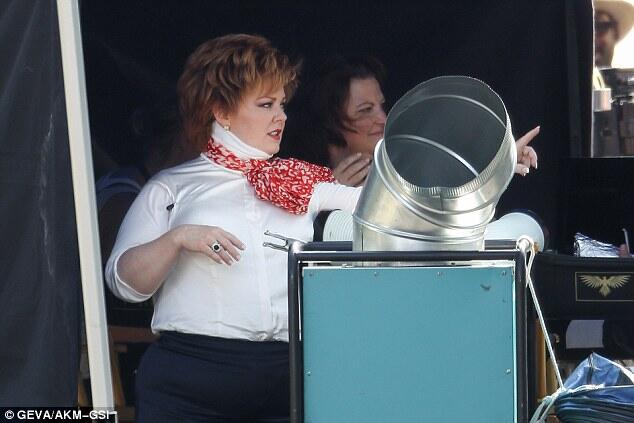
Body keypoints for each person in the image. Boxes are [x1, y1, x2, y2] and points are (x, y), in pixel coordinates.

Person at [104, 34, 361, 422]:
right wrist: (178, 239)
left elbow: (385, 214)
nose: (281, 116)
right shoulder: (171, 187)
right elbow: (123, 283)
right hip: (191, 380)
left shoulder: (305, 182)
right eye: (266, 104)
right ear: (222, 112)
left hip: (288, 374)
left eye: (282, 104)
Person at [285, 55, 540, 188]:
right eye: (365, 110)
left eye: (381, 106)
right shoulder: (297, 184)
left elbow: (451, 196)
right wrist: (330, 194)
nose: (383, 119)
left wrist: (500, 165)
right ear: (329, 122)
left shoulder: (408, 171)